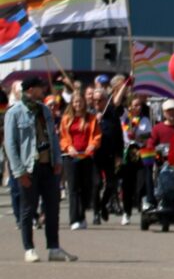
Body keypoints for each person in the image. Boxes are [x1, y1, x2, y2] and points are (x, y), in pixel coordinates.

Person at [3, 76, 77, 262]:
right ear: (30, 90)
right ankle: (29, 248)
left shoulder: (45, 111)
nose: (43, 91)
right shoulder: (14, 113)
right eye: (39, 88)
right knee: (28, 209)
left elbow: (53, 137)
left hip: (48, 166)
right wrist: (19, 172)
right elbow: (10, 145)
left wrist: (58, 160)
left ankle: (54, 248)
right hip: (29, 167)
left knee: (53, 208)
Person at [59, 91, 101, 231]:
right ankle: (74, 219)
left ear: (84, 103)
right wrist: (68, 147)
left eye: (80, 102)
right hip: (71, 157)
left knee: (86, 187)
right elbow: (63, 137)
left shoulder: (91, 118)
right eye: (75, 102)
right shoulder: (66, 119)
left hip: (86, 156)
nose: (78, 104)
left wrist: (92, 145)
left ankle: (82, 216)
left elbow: (97, 136)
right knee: (73, 188)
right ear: (72, 103)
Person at [91, 81, 126, 224]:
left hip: (109, 154)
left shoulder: (112, 114)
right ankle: (95, 213)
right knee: (97, 183)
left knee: (111, 184)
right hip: (94, 155)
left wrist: (119, 154)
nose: (97, 102)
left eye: (100, 100)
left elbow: (118, 135)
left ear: (106, 100)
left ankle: (103, 205)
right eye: (95, 100)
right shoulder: (90, 115)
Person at [119, 93, 153, 225]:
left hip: (139, 151)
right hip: (127, 152)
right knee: (127, 185)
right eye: (134, 105)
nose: (137, 108)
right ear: (129, 107)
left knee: (141, 182)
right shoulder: (124, 119)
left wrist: (138, 138)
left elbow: (149, 136)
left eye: (139, 105)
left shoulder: (145, 120)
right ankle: (126, 212)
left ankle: (143, 206)